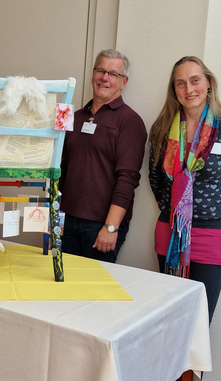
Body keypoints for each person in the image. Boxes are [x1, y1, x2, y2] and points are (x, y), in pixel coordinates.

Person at [147, 56, 221, 381]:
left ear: (208, 83)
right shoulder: (162, 128)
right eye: (179, 83)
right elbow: (156, 181)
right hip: (170, 235)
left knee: (196, 325)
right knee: (171, 322)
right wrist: (178, 220)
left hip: (211, 238)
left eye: (194, 81)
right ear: (173, 90)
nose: (188, 89)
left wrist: (208, 218)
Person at [58, 49, 147, 263]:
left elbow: (128, 179)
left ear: (124, 82)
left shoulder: (130, 122)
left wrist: (110, 227)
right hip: (66, 220)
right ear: (92, 74)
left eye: (113, 74)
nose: (104, 78)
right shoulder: (73, 117)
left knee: (92, 293)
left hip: (100, 226)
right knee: (61, 288)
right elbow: (60, 167)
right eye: (100, 70)